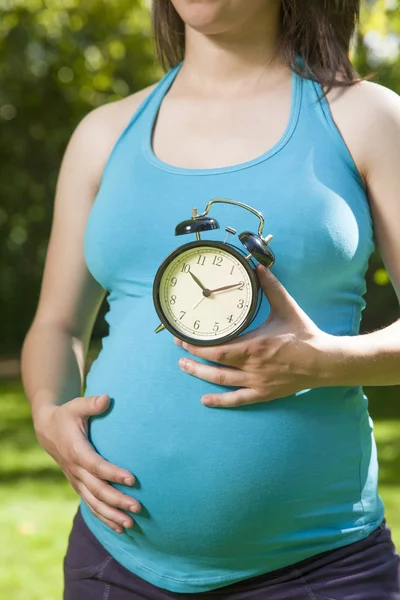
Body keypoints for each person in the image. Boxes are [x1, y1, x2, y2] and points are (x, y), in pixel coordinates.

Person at [21, 0, 400, 599]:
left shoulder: (367, 118)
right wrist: (48, 414)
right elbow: (57, 323)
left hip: (321, 572)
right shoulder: (103, 133)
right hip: (114, 564)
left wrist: (327, 361)